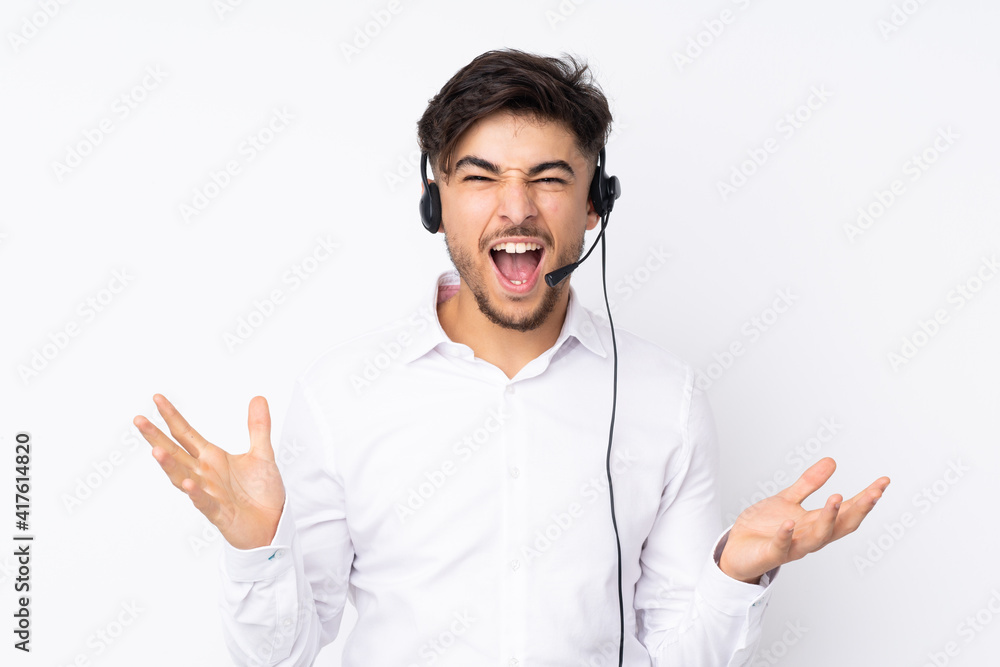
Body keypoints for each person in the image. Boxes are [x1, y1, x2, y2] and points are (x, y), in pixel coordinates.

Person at [134, 49, 890, 666]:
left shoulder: (668, 399)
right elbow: (281, 653)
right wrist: (257, 547)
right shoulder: (342, 397)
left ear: (598, 203)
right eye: (480, 176)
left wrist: (735, 574)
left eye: (550, 178)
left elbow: (676, 656)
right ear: (436, 202)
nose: (516, 207)